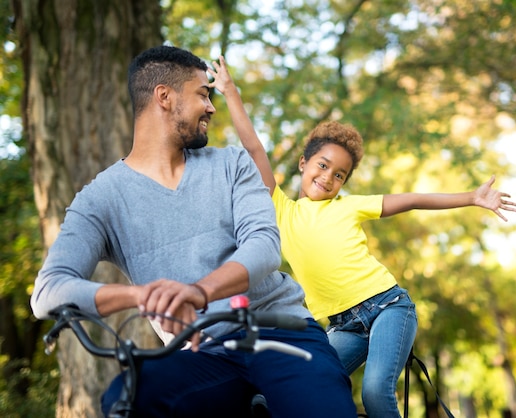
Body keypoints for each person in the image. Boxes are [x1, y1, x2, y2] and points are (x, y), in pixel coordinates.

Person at [30, 45, 359, 418]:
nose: (211, 106)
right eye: (203, 93)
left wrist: (197, 291)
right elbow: (48, 291)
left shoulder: (232, 163)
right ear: (164, 97)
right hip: (203, 353)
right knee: (128, 399)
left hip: (280, 332)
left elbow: (265, 245)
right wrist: (145, 296)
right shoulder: (99, 199)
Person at [208, 56, 516, 418]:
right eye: (322, 166)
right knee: (311, 382)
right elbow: (254, 149)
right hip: (343, 325)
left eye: (339, 175)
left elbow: (413, 200)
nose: (327, 177)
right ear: (303, 164)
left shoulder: (349, 206)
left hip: (388, 306)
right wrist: (230, 92)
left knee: (374, 392)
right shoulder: (281, 208)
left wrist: (471, 197)